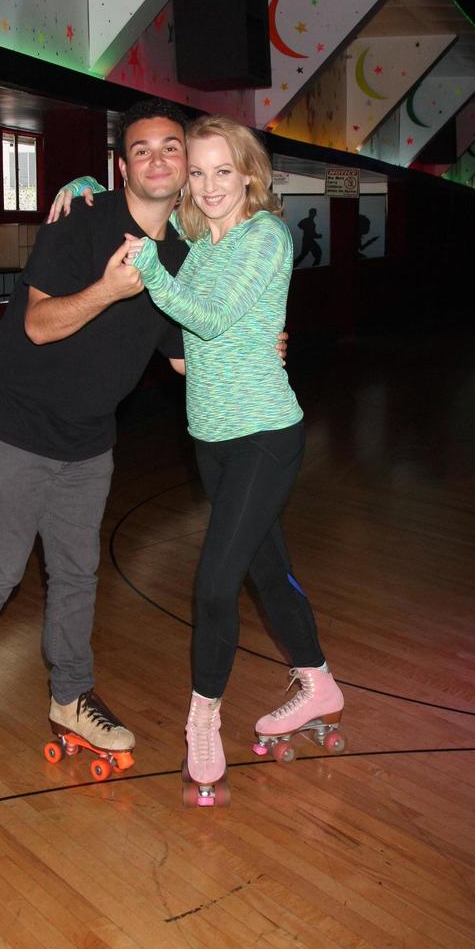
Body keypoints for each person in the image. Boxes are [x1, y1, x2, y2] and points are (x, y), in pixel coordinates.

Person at [57, 115, 343, 798]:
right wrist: (94, 187)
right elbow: (153, 221)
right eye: (199, 172)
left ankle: (202, 719)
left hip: (266, 435)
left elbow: (209, 318)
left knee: (216, 583)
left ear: (249, 174)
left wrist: (150, 268)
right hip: (210, 440)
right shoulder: (198, 237)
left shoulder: (265, 237)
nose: (211, 186)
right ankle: (320, 684)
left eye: (225, 171)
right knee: (269, 572)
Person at [0, 98, 194, 767]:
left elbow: (183, 355)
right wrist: (108, 289)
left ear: (185, 162)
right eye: (142, 149)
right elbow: (39, 326)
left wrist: (251, 351)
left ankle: (71, 696)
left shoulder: (181, 256)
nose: (157, 159)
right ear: (122, 164)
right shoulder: (81, 223)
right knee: (3, 561)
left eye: (170, 147)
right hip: (13, 416)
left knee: (77, 570)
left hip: (87, 433)